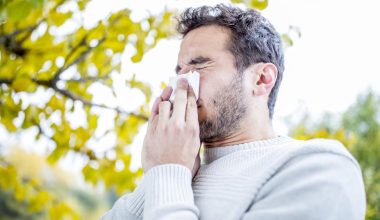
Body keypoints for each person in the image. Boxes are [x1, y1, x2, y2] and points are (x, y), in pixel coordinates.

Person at [102, 4, 366, 220]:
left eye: (199, 66)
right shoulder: (178, 172)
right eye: (178, 72)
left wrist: (168, 172)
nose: (179, 86)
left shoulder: (317, 169)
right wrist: (158, 176)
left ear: (261, 79)